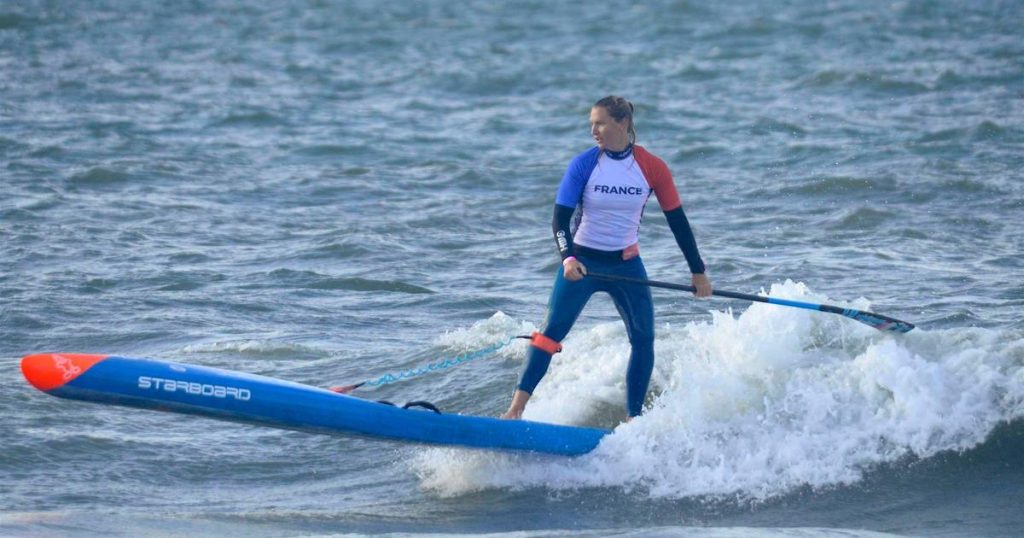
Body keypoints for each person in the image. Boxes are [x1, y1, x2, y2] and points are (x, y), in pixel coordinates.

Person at [501, 96, 712, 421]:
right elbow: (559, 219)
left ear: (623, 123)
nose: (593, 131)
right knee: (549, 333)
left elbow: (678, 222)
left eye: (599, 123)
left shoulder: (652, 167)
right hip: (583, 263)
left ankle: (633, 420)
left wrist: (698, 272)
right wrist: (568, 258)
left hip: (626, 264)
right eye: (591, 124)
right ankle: (515, 411)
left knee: (643, 338)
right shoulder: (584, 164)